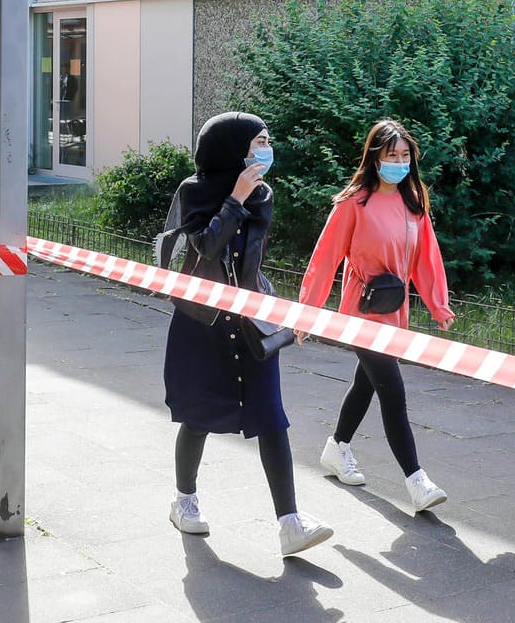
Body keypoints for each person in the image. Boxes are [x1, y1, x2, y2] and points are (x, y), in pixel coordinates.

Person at [162, 111, 333, 556]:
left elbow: (250, 263)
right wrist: (234, 199)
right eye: (258, 141)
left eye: (267, 141)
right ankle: (185, 501)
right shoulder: (193, 191)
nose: (265, 149)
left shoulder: (264, 194)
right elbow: (207, 247)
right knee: (198, 417)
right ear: (232, 148)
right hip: (203, 322)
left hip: (250, 318)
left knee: (270, 417)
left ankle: (291, 523)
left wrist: (277, 310)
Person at [298, 118, 457, 514]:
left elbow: (427, 257)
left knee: (366, 385)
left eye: (405, 156)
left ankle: (337, 447)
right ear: (375, 158)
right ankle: (416, 480)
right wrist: (307, 313)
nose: (399, 163)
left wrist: (438, 304)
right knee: (392, 390)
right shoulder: (354, 202)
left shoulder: (413, 199)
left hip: (394, 310)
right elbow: (325, 259)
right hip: (362, 312)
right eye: (392, 156)